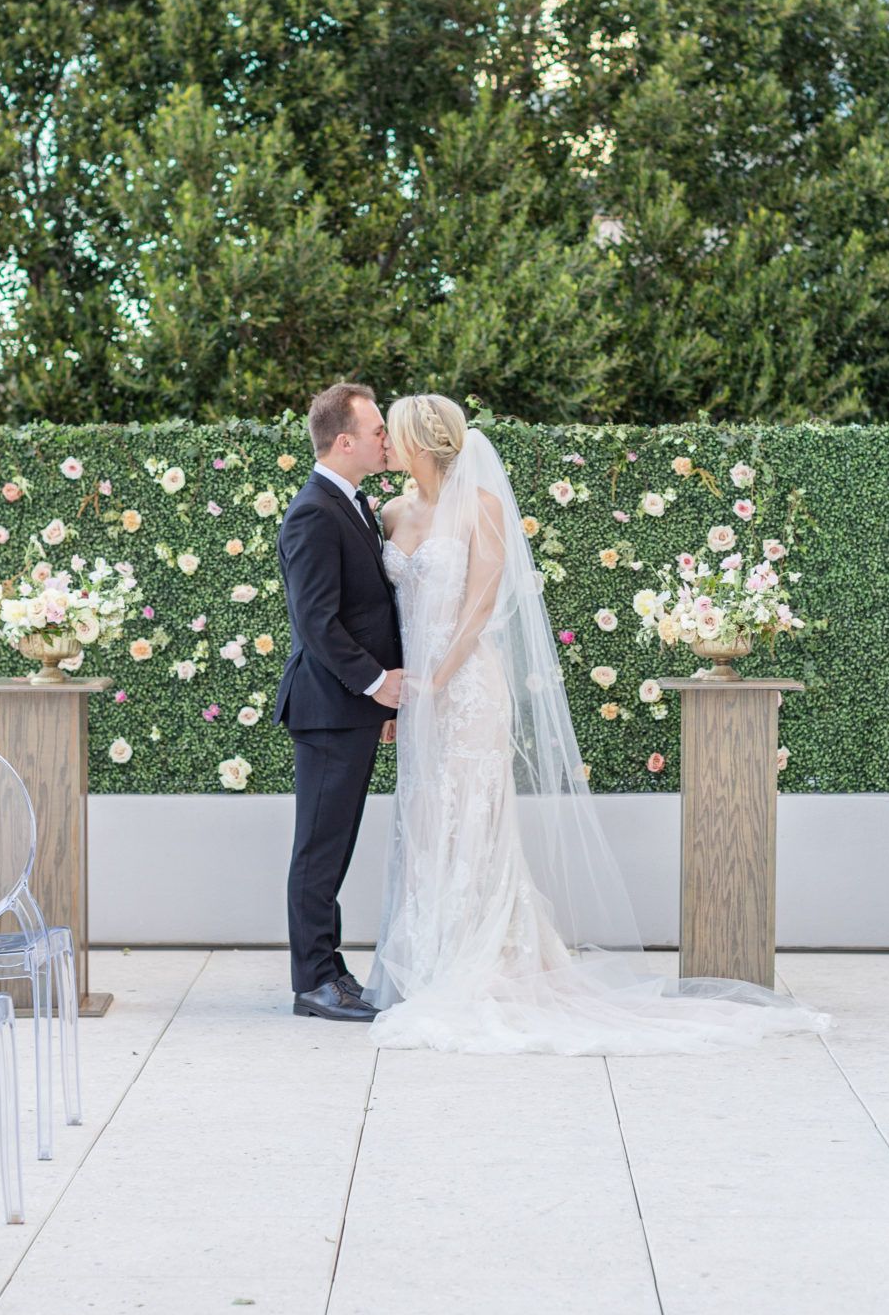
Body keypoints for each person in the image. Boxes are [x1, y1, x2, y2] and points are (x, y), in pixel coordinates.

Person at [363, 393, 827, 1053]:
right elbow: (390, 613)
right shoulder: (390, 513)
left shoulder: (482, 510)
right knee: (427, 815)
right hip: (418, 698)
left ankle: (485, 959)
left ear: (419, 440)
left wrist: (436, 682)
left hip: (464, 688)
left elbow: (480, 604)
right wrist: (398, 691)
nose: (386, 444)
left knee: (475, 815)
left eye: (394, 433)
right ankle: (429, 955)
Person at [272, 381, 404, 1022]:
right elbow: (318, 623)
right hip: (327, 708)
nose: (386, 439)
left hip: (350, 709)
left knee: (336, 846)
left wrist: (381, 706)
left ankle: (331, 970)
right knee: (320, 849)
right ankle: (313, 983)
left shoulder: (349, 503)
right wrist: (379, 684)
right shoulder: (313, 512)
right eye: (377, 430)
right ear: (344, 440)